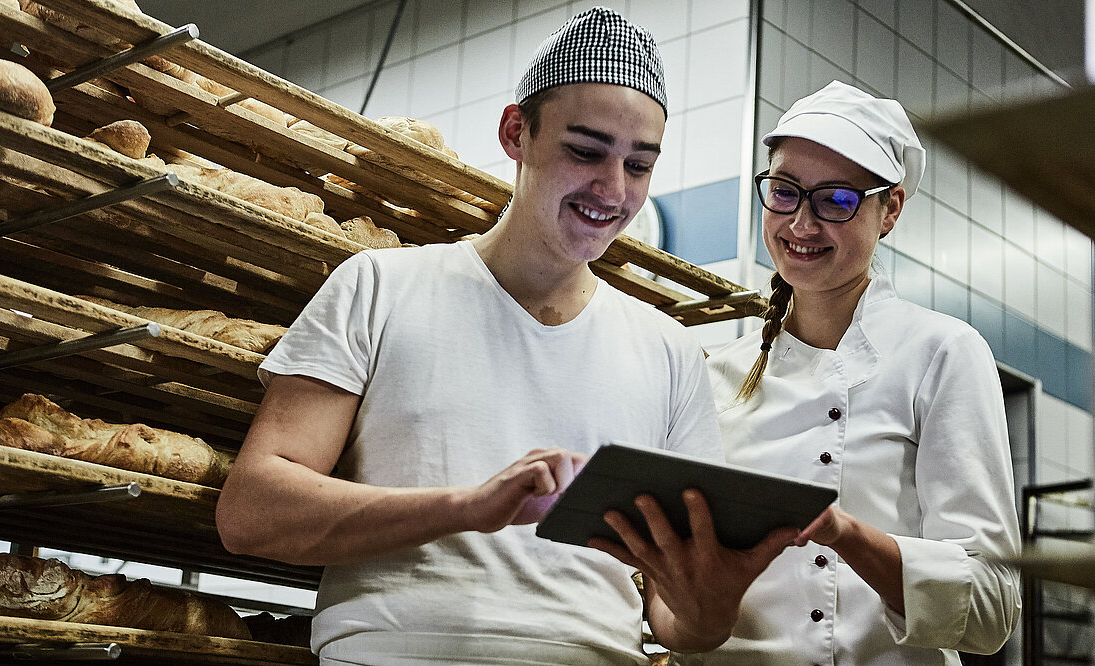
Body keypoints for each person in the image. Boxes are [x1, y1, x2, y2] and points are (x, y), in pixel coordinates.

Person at [215, 7, 792, 665]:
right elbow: (252, 512)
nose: (612, 189)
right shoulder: (379, 285)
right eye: (585, 151)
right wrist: (469, 507)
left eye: (639, 165)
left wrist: (713, 599)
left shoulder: (671, 351)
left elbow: (679, 626)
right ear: (516, 132)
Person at [687, 81, 1021, 663]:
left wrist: (847, 536)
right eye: (785, 192)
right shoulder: (719, 373)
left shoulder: (940, 352)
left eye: (836, 200)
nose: (801, 224)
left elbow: (991, 609)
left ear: (889, 210)